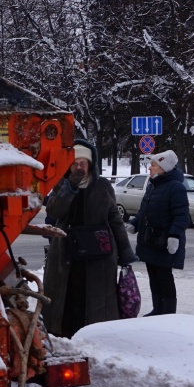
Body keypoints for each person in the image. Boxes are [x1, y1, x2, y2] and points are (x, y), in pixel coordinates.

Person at [42, 143, 136, 338]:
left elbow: (115, 220)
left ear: (91, 164)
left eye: (83, 163)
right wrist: (70, 187)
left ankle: (96, 337)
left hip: (98, 257)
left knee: (95, 301)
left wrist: (125, 253)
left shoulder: (103, 186)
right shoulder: (62, 183)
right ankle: (64, 335)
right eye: (74, 163)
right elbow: (54, 211)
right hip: (66, 255)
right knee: (66, 297)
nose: (79, 167)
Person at [127, 150, 190, 316]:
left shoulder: (175, 187)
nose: (150, 168)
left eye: (153, 165)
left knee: (164, 277)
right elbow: (144, 211)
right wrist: (135, 224)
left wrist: (174, 236)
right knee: (153, 276)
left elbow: (182, 215)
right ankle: (158, 309)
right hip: (150, 240)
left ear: (164, 168)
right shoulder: (153, 185)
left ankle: (168, 312)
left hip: (163, 242)